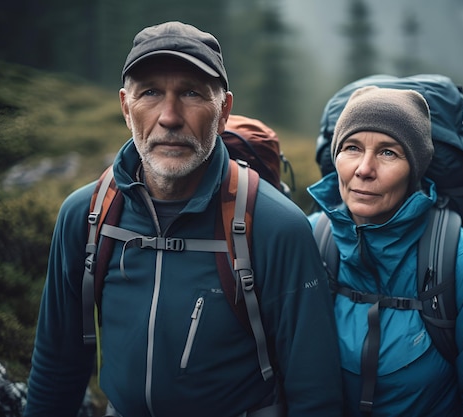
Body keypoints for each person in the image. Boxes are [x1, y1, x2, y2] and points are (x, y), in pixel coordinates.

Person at [23, 21, 342, 417]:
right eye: (151, 92)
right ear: (126, 107)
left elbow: (316, 393)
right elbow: (57, 367)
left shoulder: (277, 227)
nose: (169, 116)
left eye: (191, 93)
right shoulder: (85, 216)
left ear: (223, 110)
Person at [307, 86, 463, 416]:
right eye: (352, 147)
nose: (364, 169)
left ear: (415, 169)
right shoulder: (309, 238)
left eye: (388, 153)